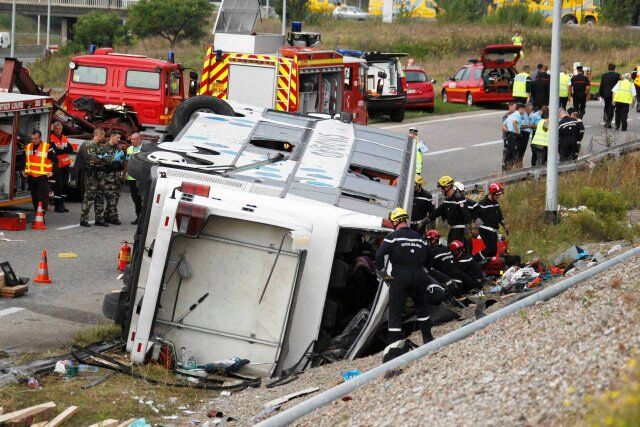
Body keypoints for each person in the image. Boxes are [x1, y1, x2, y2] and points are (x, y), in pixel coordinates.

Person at [375, 208, 434, 346]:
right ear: (405, 220)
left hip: (400, 277)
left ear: (395, 221)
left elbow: (379, 255)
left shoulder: (393, 237)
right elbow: (430, 256)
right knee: (422, 308)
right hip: (419, 276)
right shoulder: (419, 237)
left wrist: (383, 274)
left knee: (395, 314)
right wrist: (425, 270)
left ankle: (395, 347)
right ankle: (428, 340)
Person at [424, 229, 478, 296]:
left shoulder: (432, 252)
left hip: (447, 280)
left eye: (428, 240)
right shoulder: (446, 248)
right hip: (458, 278)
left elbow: (428, 266)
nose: (427, 242)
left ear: (434, 240)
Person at [80, 128, 109, 227]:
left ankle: (99, 219)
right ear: (99, 135)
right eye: (103, 136)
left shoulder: (100, 146)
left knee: (100, 197)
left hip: (100, 175)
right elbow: (94, 160)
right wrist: (102, 159)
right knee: (89, 197)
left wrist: (103, 159)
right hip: (92, 175)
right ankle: (83, 219)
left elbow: (106, 159)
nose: (104, 138)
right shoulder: (89, 145)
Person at [429, 176, 470, 244]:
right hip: (453, 230)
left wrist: (467, 230)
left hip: (459, 231)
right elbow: (438, 211)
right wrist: (426, 220)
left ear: (447, 187)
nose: (441, 190)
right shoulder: (448, 199)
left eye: (442, 188)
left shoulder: (459, 198)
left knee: (455, 249)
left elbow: (466, 214)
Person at [473, 182, 508, 264]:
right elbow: (474, 216)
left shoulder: (496, 203)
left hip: (493, 230)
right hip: (485, 230)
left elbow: (499, 216)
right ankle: (474, 259)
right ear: (491, 193)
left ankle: (484, 263)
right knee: (491, 249)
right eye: (497, 194)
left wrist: (504, 225)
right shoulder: (482, 204)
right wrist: (482, 226)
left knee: (493, 251)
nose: (498, 196)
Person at [23, 130, 56, 212]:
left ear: (40, 138)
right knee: (34, 197)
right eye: (32, 139)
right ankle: (37, 214)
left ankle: (42, 215)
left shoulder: (47, 147)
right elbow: (24, 160)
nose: (33, 140)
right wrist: (23, 170)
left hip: (42, 176)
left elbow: (55, 160)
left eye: (35, 139)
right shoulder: (28, 146)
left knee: (41, 197)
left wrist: (52, 172)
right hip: (31, 176)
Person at [50, 122, 74, 213]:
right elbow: (54, 152)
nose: (58, 130)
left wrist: (62, 149)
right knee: (58, 185)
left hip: (65, 164)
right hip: (57, 165)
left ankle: (62, 204)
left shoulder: (64, 138)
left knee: (65, 185)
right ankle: (57, 206)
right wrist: (63, 150)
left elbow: (70, 149)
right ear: (54, 129)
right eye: (56, 129)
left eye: (60, 129)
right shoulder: (51, 138)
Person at [103, 133, 125, 225]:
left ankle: (107, 214)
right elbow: (104, 163)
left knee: (116, 196)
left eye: (120, 137)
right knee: (111, 196)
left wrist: (118, 161)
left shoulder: (118, 148)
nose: (119, 139)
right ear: (112, 137)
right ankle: (114, 216)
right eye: (117, 137)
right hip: (108, 177)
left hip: (116, 176)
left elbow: (121, 164)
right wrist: (114, 160)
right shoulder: (104, 148)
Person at [502, 103, 526, 170]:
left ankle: (508, 170)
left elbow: (503, 125)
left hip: (509, 136)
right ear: (520, 109)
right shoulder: (517, 115)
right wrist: (517, 132)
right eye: (523, 110)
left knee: (509, 155)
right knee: (516, 154)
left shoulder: (511, 115)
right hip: (514, 136)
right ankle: (519, 171)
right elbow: (514, 122)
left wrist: (507, 131)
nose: (524, 112)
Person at [126, 132, 143, 224]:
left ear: (140, 139)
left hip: (140, 178)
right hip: (131, 177)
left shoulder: (144, 150)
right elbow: (127, 161)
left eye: (134, 139)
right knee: (135, 198)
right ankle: (138, 217)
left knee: (141, 198)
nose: (132, 141)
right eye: (131, 139)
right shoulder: (129, 149)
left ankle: (142, 218)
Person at [599, 63, 621, 128]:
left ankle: (606, 116)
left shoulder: (604, 75)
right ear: (614, 68)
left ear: (608, 68)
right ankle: (608, 122)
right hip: (614, 94)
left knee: (606, 106)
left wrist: (601, 94)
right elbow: (619, 85)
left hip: (606, 94)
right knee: (611, 108)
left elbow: (601, 85)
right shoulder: (617, 75)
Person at [501, 102, 516, 172]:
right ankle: (504, 170)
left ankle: (511, 170)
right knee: (507, 154)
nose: (515, 108)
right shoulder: (506, 116)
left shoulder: (515, 114)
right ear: (509, 107)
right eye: (513, 106)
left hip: (513, 138)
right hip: (507, 137)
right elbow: (504, 127)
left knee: (513, 154)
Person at [517, 103, 534, 168]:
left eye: (531, 109)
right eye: (530, 109)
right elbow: (521, 126)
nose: (531, 110)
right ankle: (518, 164)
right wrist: (529, 126)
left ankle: (520, 163)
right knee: (520, 150)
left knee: (523, 149)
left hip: (527, 133)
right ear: (526, 108)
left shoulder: (531, 114)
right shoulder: (522, 114)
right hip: (523, 133)